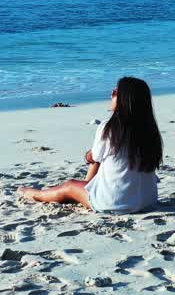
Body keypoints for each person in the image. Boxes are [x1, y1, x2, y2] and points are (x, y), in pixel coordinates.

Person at [19, 76, 162, 213]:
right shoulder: (150, 130)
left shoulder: (110, 128)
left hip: (115, 202)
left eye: (115, 92)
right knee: (103, 159)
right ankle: (87, 189)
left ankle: (35, 194)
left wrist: (87, 156)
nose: (112, 93)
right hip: (147, 200)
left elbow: (94, 157)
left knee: (69, 185)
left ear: (124, 99)